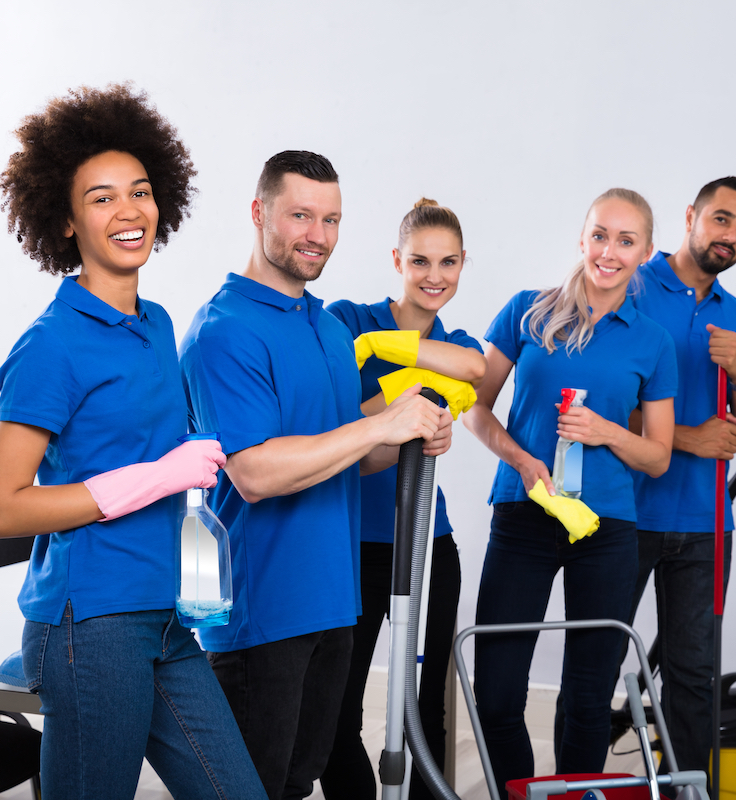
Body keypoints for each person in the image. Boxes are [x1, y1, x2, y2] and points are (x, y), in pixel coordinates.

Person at [0, 84, 266, 799]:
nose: (128, 210)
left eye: (139, 191)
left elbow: (155, 448)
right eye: (101, 198)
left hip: (165, 616)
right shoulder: (51, 347)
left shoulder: (157, 322)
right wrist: (158, 475)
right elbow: (2, 511)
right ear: (67, 220)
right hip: (90, 630)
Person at [179, 152, 453, 800]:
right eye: (300, 215)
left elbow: (348, 455)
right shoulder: (223, 332)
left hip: (334, 603)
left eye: (331, 219)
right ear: (258, 212)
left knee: (300, 782)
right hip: (261, 616)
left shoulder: (328, 331)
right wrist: (379, 424)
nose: (318, 235)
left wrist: (411, 436)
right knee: (252, 789)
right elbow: (255, 473)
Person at [464, 188, 677, 798]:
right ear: (583, 237)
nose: (609, 251)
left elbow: (658, 457)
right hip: (524, 514)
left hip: (606, 529)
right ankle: (521, 793)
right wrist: (519, 457)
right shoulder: (525, 312)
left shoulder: (652, 342)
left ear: (645, 253)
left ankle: (576, 795)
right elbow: (474, 407)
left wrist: (609, 431)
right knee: (498, 689)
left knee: (588, 696)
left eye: (626, 241)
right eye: (600, 235)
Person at [320, 198, 486, 799]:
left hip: (426, 544)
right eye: (419, 261)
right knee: (337, 707)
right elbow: (341, 433)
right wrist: (399, 408)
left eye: (448, 262)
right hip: (353, 545)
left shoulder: (457, 340)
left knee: (428, 709)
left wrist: (383, 361)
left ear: (464, 264)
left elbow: (473, 367)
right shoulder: (346, 317)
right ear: (397, 259)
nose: (434, 276)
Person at [627, 177, 736, 773]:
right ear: (689, 215)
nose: (731, 237)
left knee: (694, 678)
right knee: (596, 660)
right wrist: (688, 439)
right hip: (624, 513)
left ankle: (688, 790)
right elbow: (601, 402)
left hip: (708, 526)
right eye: (721, 219)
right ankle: (578, 784)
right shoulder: (630, 284)